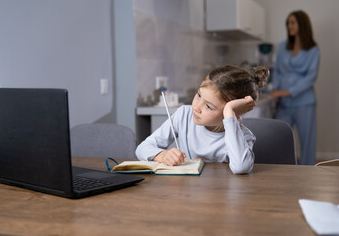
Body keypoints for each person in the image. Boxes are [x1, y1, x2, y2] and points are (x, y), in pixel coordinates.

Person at [136, 65, 269, 174]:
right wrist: (162, 155)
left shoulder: (243, 136)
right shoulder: (184, 115)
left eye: (209, 106)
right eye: (199, 95)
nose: (197, 107)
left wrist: (229, 112)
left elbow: (241, 167)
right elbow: (142, 148)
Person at [271, 10, 320, 165]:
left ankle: (307, 173)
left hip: (304, 102)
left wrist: (288, 92)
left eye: (293, 22)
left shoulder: (313, 49)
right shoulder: (283, 46)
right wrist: (275, 90)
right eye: (288, 23)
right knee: (277, 137)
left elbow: (310, 77)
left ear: (302, 24)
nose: (289, 26)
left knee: (307, 142)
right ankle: (284, 171)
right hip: (284, 104)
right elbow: (278, 71)